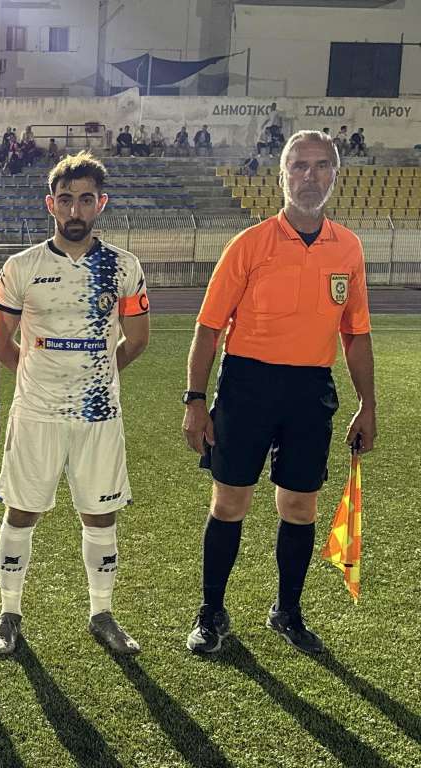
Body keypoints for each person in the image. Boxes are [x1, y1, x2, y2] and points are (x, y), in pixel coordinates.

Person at [182, 130, 376, 656]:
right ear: (282, 175)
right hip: (247, 384)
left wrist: (368, 404)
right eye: (299, 166)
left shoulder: (349, 248)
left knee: (299, 505)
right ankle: (211, 612)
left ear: (336, 174)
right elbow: (208, 328)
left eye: (321, 165)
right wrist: (194, 400)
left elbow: (356, 333)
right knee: (230, 503)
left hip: (310, 389)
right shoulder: (250, 244)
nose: (310, 176)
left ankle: (287, 610)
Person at [0, 151, 150, 657]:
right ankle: (9, 614)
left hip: (98, 414)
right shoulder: (22, 267)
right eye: (65, 200)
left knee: (100, 516)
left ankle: (102, 614)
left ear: (101, 203)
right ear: (50, 204)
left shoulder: (124, 267)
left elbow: (138, 340)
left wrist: (97, 375)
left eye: (85, 199)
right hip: (36, 412)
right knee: (21, 512)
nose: (75, 210)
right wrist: (35, 375)